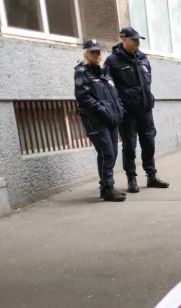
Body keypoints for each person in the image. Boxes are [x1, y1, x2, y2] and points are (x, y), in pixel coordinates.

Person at [105, 27, 170, 193]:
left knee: (149, 143)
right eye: (134, 40)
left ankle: (151, 175)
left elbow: (147, 82)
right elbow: (109, 87)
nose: (137, 43)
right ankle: (131, 178)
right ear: (123, 39)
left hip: (145, 109)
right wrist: (119, 106)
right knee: (130, 146)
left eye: (138, 40)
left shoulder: (143, 58)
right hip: (127, 112)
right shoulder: (113, 61)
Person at [74, 39, 126, 202]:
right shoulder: (82, 71)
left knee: (112, 153)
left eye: (98, 51)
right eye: (92, 52)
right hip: (95, 118)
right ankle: (107, 188)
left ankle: (106, 186)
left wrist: (119, 109)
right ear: (86, 53)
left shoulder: (104, 71)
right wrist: (102, 110)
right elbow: (83, 97)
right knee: (106, 153)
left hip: (111, 118)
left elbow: (114, 94)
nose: (96, 54)